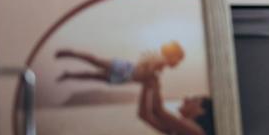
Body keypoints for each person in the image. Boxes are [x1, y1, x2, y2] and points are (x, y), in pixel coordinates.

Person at [54, 41, 185, 84]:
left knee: (92, 75)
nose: (178, 63)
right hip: (127, 70)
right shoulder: (162, 60)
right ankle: (71, 54)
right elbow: (147, 66)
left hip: (126, 77)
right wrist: (152, 74)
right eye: (178, 59)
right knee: (96, 62)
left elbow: (147, 70)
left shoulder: (162, 65)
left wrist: (152, 75)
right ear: (174, 55)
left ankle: (69, 75)